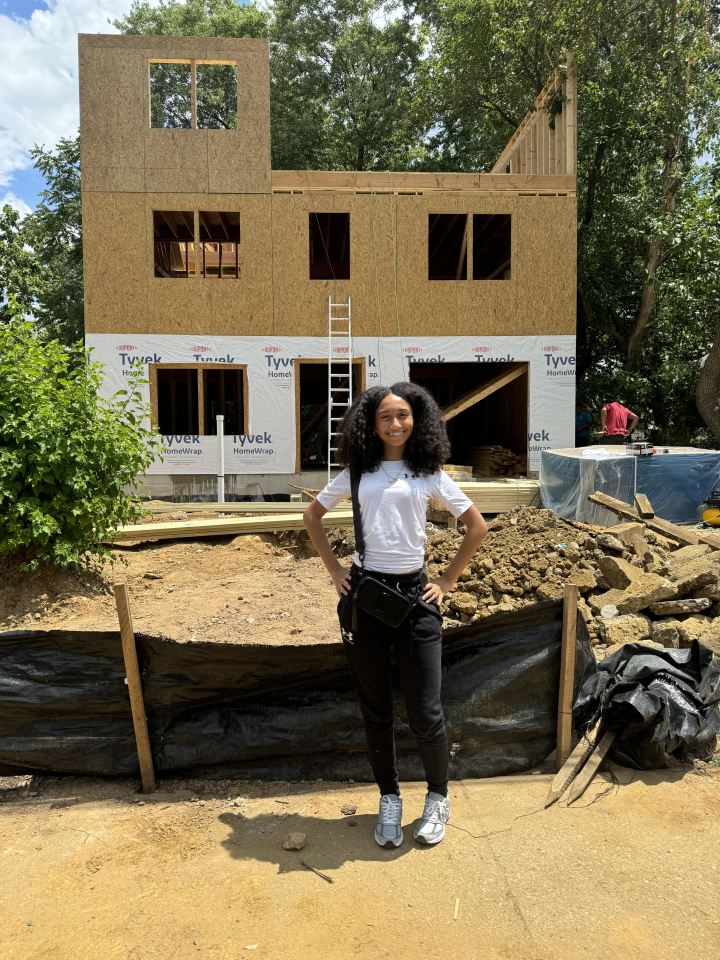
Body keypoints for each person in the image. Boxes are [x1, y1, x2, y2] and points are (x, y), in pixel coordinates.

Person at [303, 383, 488, 849]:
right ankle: (389, 797)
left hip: (415, 600)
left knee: (426, 710)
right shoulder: (357, 472)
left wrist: (445, 582)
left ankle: (437, 797)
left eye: (403, 415)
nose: (395, 424)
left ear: (417, 420)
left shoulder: (427, 472)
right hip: (366, 598)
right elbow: (312, 517)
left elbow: (476, 526)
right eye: (386, 416)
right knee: (376, 711)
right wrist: (335, 571)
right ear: (371, 423)